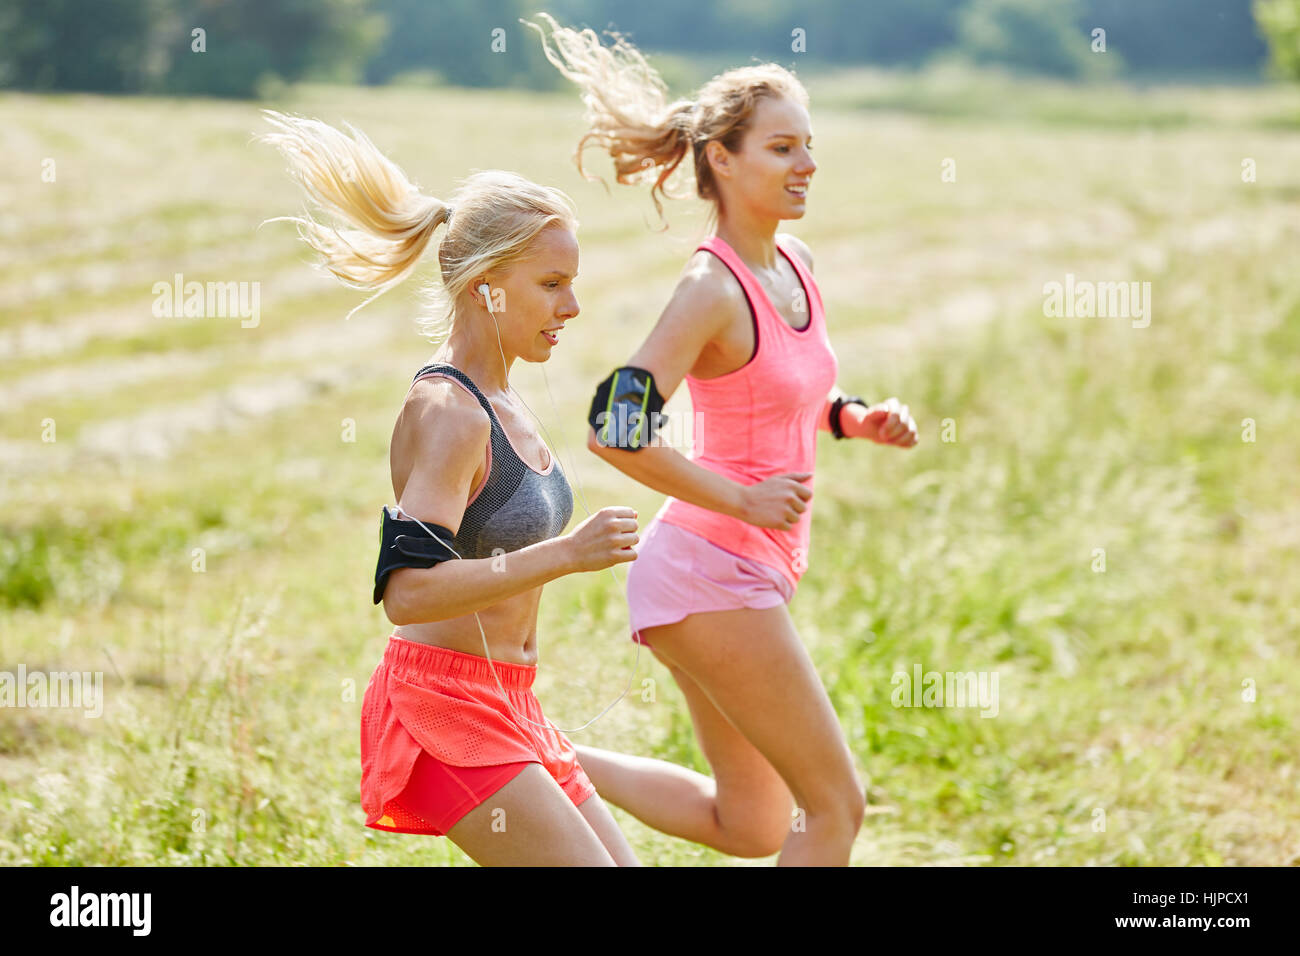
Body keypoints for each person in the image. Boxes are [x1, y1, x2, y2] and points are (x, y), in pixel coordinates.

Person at [530, 16, 919, 866]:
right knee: (835, 808)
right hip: (710, 569)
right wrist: (741, 498)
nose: (807, 165)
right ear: (723, 159)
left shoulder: (796, 263)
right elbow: (614, 426)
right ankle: (528, 758)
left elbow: (785, 397)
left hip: (741, 571)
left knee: (750, 827)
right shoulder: (710, 287)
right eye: (783, 147)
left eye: (808, 146)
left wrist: (855, 419)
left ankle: (533, 756)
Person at [261, 110, 642, 866]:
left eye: (573, 284)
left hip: (509, 699)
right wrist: (567, 555)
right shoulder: (447, 412)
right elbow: (407, 594)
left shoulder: (503, 398)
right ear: (484, 288)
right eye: (552, 284)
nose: (571, 307)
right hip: (441, 706)